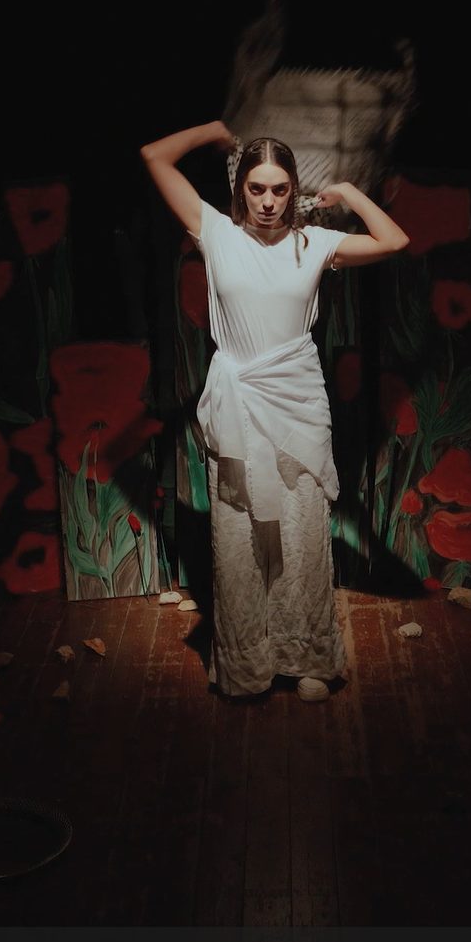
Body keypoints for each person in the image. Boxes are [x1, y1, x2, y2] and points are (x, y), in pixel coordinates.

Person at [140, 121, 410, 701]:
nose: (268, 201)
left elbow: (393, 241)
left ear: (293, 191)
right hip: (239, 401)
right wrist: (213, 131)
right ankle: (247, 664)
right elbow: (154, 155)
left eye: (280, 189)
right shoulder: (216, 232)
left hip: (297, 402)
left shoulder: (315, 243)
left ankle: (306, 655)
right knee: (240, 536)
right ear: (241, 189)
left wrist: (349, 192)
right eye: (257, 188)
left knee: (301, 533)